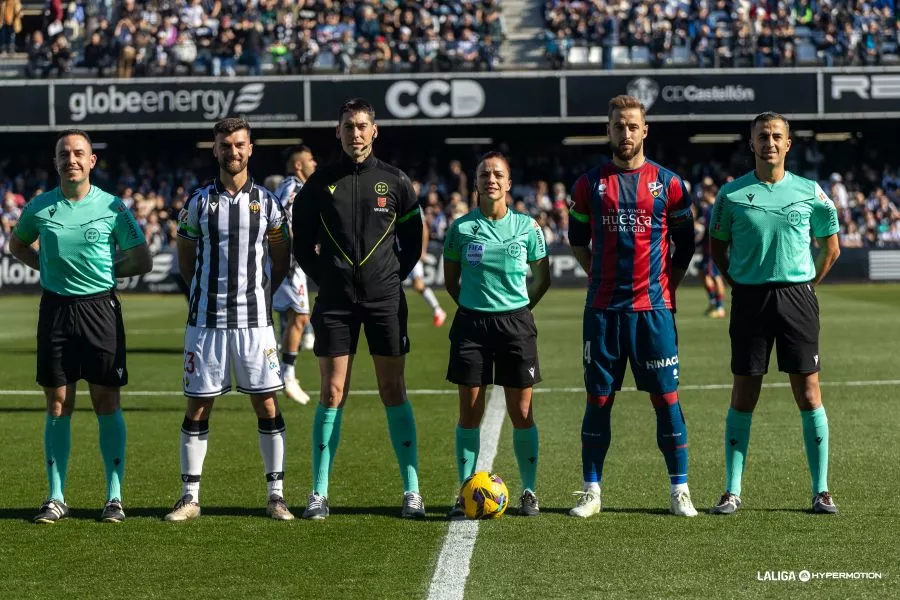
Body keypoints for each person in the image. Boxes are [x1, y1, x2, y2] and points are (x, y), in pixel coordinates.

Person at [9, 129, 152, 524]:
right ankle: (56, 498)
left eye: (78, 153)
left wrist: (109, 271)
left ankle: (114, 498)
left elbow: (141, 258)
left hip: (100, 310)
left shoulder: (112, 207)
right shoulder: (39, 208)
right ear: (55, 162)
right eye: (63, 153)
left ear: (91, 161)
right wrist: (46, 267)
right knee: (58, 403)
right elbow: (17, 245)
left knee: (106, 402)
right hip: (55, 311)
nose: (70, 159)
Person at [294, 98, 425, 520]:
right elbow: (301, 245)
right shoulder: (319, 183)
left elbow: (413, 241)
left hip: (385, 300)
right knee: (332, 393)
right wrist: (329, 278)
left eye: (362, 125)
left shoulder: (397, 181)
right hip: (334, 302)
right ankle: (318, 492)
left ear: (375, 130)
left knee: (393, 390)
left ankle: (412, 491)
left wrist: (390, 278)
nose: (355, 133)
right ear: (338, 131)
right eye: (348, 125)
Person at [567, 95, 698, 518]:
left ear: (645, 130)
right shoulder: (589, 184)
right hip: (603, 312)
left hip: (653, 312)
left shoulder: (670, 184)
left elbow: (687, 245)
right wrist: (601, 279)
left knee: (666, 399)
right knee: (599, 400)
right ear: (608, 131)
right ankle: (591, 491)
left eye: (632, 126)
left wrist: (665, 286)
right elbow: (576, 242)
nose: (625, 133)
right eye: (618, 126)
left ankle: (680, 490)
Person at [708, 112, 841, 515]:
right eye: (762, 136)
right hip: (750, 300)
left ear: (788, 145)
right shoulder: (730, 194)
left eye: (776, 136)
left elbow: (831, 247)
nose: (769, 142)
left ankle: (821, 491)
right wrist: (738, 283)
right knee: (744, 394)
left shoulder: (810, 191)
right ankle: (732, 491)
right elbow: (717, 248)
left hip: (797, 299)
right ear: (752, 143)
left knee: (809, 394)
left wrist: (806, 285)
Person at [165, 117, 294, 522]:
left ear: (250, 148)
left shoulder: (269, 203)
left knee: (267, 403)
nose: (232, 152)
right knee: (198, 406)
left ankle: (276, 495)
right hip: (206, 322)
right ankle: (189, 497)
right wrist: (203, 291)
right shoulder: (199, 203)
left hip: (255, 322)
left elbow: (281, 258)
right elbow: (186, 259)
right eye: (225, 145)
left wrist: (260, 294)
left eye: (239, 145)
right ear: (215, 150)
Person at [443, 151, 551, 518]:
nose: (491, 179)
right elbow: (450, 281)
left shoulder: (528, 227)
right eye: (484, 174)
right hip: (472, 326)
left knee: (522, 413)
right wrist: (477, 305)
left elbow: (542, 278)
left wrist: (519, 308)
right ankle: (465, 492)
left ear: (508, 183)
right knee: (469, 413)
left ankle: (529, 491)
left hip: (516, 325)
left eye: (498, 174)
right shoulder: (460, 228)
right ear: (475, 183)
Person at [272, 145, 317, 405]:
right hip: (289, 263)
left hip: (289, 262)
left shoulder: (294, 187)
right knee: (299, 318)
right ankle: (287, 376)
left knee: (294, 318)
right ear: (298, 165)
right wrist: (291, 252)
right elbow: (283, 221)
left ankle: (283, 374)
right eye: (310, 160)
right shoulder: (294, 187)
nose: (315, 164)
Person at [406, 219, 447, 327]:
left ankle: (438, 310)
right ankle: (437, 310)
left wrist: (422, 250)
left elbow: (424, 228)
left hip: (413, 251)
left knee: (418, 284)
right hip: (405, 251)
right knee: (416, 285)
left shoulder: (413, 205)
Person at [699, 187, 726, 318]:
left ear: (710, 193)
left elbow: (712, 229)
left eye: (704, 192)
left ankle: (719, 307)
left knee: (714, 276)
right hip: (708, 248)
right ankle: (714, 302)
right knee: (704, 273)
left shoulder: (714, 209)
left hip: (711, 248)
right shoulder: (711, 208)